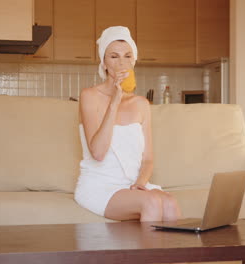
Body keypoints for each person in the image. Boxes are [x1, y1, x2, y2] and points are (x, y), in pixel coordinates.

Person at [74, 26, 181, 222]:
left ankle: (170, 254)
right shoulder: (89, 96)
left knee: (169, 202)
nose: (122, 63)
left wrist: (140, 184)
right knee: (150, 202)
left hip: (132, 185)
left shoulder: (141, 104)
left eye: (127, 56)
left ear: (134, 61)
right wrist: (115, 100)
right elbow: (97, 153)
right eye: (114, 57)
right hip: (100, 185)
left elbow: (148, 159)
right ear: (104, 63)